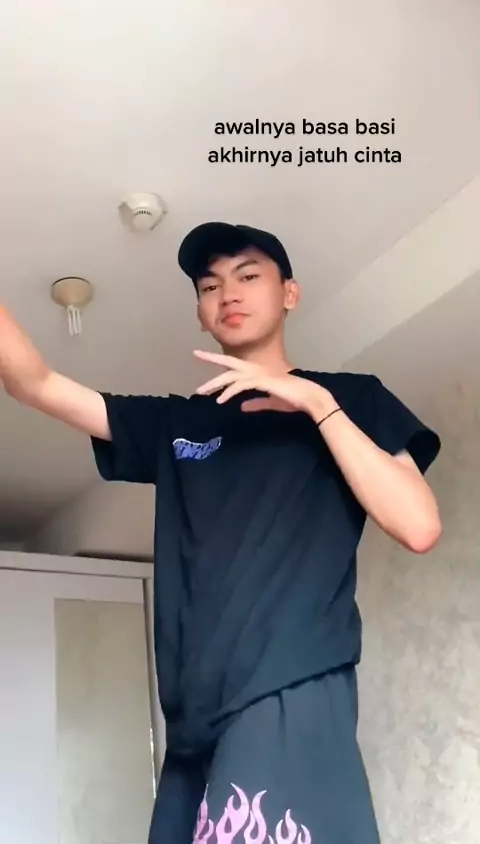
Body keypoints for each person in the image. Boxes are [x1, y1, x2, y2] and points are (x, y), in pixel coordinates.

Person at [0, 221, 441, 843]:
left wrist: (318, 405)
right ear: (202, 316)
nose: (227, 292)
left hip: (286, 686)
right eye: (210, 286)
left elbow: (419, 525)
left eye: (248, 275)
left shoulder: (352, 399)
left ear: (290, 294)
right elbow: (35, 383)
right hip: (191, 723)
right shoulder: (177, 423)